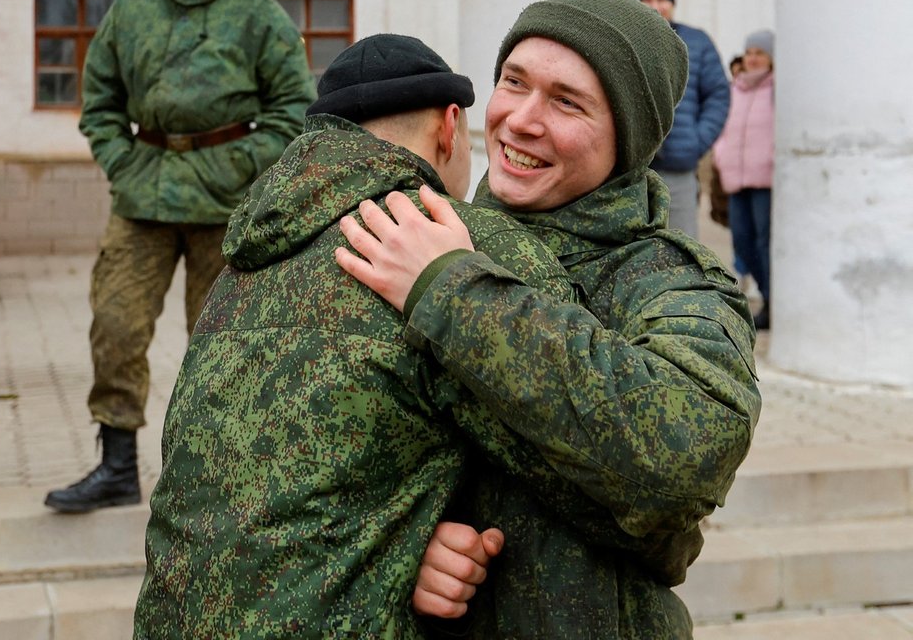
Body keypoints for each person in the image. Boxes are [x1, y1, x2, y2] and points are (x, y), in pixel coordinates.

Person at [135, 34, 689, 637]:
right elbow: (611, 491)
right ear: (450, 128)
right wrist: (672, 543)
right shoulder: (463, 243)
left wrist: (413, 538)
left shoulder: (245, 260)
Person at [337, 0, 761, 638]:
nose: (520, 120)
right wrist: (404, 546)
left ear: (629, 135)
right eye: (514, 82)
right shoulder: (415, 240)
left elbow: (687, 452)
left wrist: (454, 294)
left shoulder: (669, 283)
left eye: (567, 102)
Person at [45, 0, 315, 514]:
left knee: (222, 342)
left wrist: (239, 170)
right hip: (143, 197)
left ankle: (219, 474)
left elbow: (293, 111)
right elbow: (100, 101)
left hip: (225, 207)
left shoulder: (258, 18)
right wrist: (121, 162)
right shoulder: (133, 10)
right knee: (115, 325)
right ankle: (115, 467)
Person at [635, 0, 730, 238]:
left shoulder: (697, 42)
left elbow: (718, 94)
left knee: (682, 243)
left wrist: (697, 141)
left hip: (679, 167)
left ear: (672, 3)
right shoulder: (629, 41)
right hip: (635, 169)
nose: (655, 6)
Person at [713, 30, 775, 330]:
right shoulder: (734, 89)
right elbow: (723, 129)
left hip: (765, 180)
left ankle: (771, 301)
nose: (752, 58)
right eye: (749, 52)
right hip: (736, 179)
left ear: (771, 59)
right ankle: (767, 294)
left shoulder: (776, 89)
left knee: (765, 243)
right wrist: (721, 157)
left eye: (759, 53)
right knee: (742, 240)